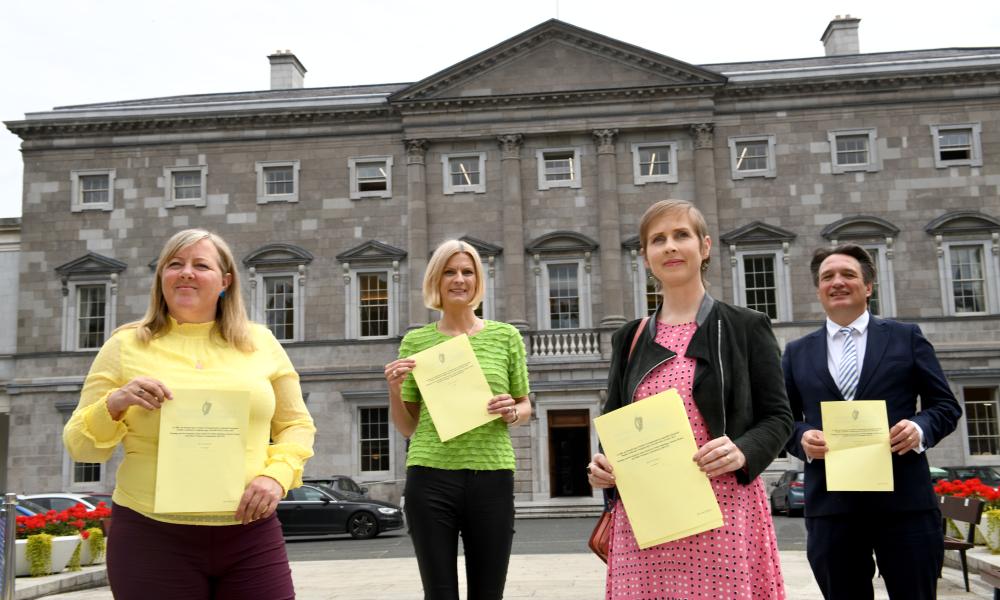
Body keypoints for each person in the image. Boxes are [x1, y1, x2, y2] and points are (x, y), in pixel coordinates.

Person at [63, 229, 316, 600]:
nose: (186, 273)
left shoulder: (261, 343)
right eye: (175, 264)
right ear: (161, 277)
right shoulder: (124, 345)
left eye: (201, 265)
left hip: (249, 530)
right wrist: (114, 404)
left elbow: (296, 424)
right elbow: (81, 447)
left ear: (225, 281)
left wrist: (276, 477)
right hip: (151, 534)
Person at [587, 199, 792, 599]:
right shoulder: (628, 337)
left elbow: (779, 417)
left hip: (725, 509)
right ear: (645, 257)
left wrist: (742, 450)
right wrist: (602, 464)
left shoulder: (745, 326)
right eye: (657, 240)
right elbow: (614, 421)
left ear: (705, 246)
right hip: (648, 516)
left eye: (681, 235)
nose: (670, 246)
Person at [782, 243, 961, 600]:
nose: (837, 282)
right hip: (832, 509)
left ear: (868, 287)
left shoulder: (905, 338)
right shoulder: (797, 351)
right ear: (818, 290)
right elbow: (784, 420)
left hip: (904, 504)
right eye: (827, 277)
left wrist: (920, 428)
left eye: (848, 274)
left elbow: (945, 405)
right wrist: (801, 438)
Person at [384, 239, 531, 600]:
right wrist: (393, 388)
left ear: (478, 280)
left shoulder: (505, 336)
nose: (459, 279)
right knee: (440, 594)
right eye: (450, 272)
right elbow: (408, 427)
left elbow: (526, 406)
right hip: (431, 476)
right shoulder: (416, 342)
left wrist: (512, 410)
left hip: (492, 476)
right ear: (436, 280)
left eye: (468, 271)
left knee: (488, 593)